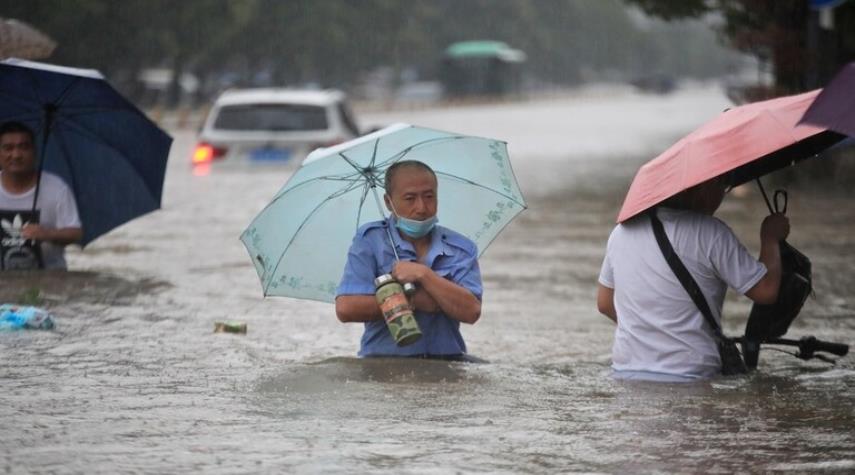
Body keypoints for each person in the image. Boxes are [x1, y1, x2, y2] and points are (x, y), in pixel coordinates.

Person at [597, 175, 790, 381]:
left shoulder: (621, 232)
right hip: (690, 375)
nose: (720, 196)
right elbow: (766, 290)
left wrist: (652, 330)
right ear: (699, 189)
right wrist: (770, 239)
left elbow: (605, 303)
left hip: (626, 372)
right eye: (720, 187)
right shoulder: (711, 233)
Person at [335, 160, 483, 359]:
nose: (421, 208)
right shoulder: (370, 241)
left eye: (429, 197)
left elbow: (471, 311)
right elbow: (346, 308)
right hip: (383, 363)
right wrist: (413, 300)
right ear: (389, 202)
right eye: (410, 198)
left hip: (447, 362)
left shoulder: (461, 248)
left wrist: (424, 275)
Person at [0, 121, 82, 270]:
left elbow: (75, 232)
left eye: (23, 147)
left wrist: (47, 233)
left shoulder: (57, 188)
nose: (16, 155)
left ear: (34, 152)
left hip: (49, 278)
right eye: (8, 148)